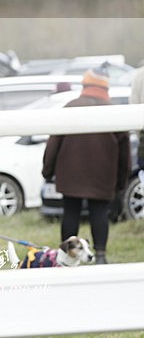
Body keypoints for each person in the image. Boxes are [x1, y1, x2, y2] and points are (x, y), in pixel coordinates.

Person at [42, 66, 130, 264]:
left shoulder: (70, 106)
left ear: (85, 84)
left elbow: (54, 142)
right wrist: (121, 181)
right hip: (103, 174)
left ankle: (64, 257)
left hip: (70, 173)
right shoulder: (115, 111)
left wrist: (47, 170)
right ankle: (100, 256)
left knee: (70, 212)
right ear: (106, 87)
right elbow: (124, 152)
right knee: (99, 212)